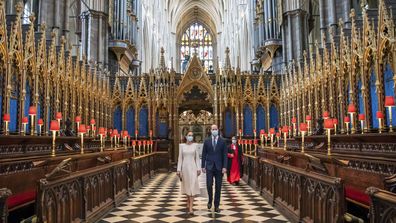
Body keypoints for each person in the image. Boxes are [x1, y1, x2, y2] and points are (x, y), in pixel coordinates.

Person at [201, 124, 228, 213]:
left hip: (219, 167)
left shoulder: (223, 141)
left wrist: (224, 167)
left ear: (218, 130)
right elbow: (204, 154)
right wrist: (202, 166)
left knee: (218, 187)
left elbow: (225, 155)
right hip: (209, 166)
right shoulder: (207, 141)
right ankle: (210, 200)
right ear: (211, 130)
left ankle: (216, 205)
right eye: (213, 129)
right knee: (209, 184)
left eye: (216, 129)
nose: (214, 131)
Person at [177, 131, 201, 215]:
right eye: (189, 135)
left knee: (192, 186)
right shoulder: (181, 146)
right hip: (185, 168)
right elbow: (180, 158)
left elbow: (197, 158)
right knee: (187, 186)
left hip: (193, 168)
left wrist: (199, 168)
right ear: (186, 136)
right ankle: (188, 200)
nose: (191, 137)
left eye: (192, 135)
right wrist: (178, 170)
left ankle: (191, 207)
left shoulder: (195, 145)